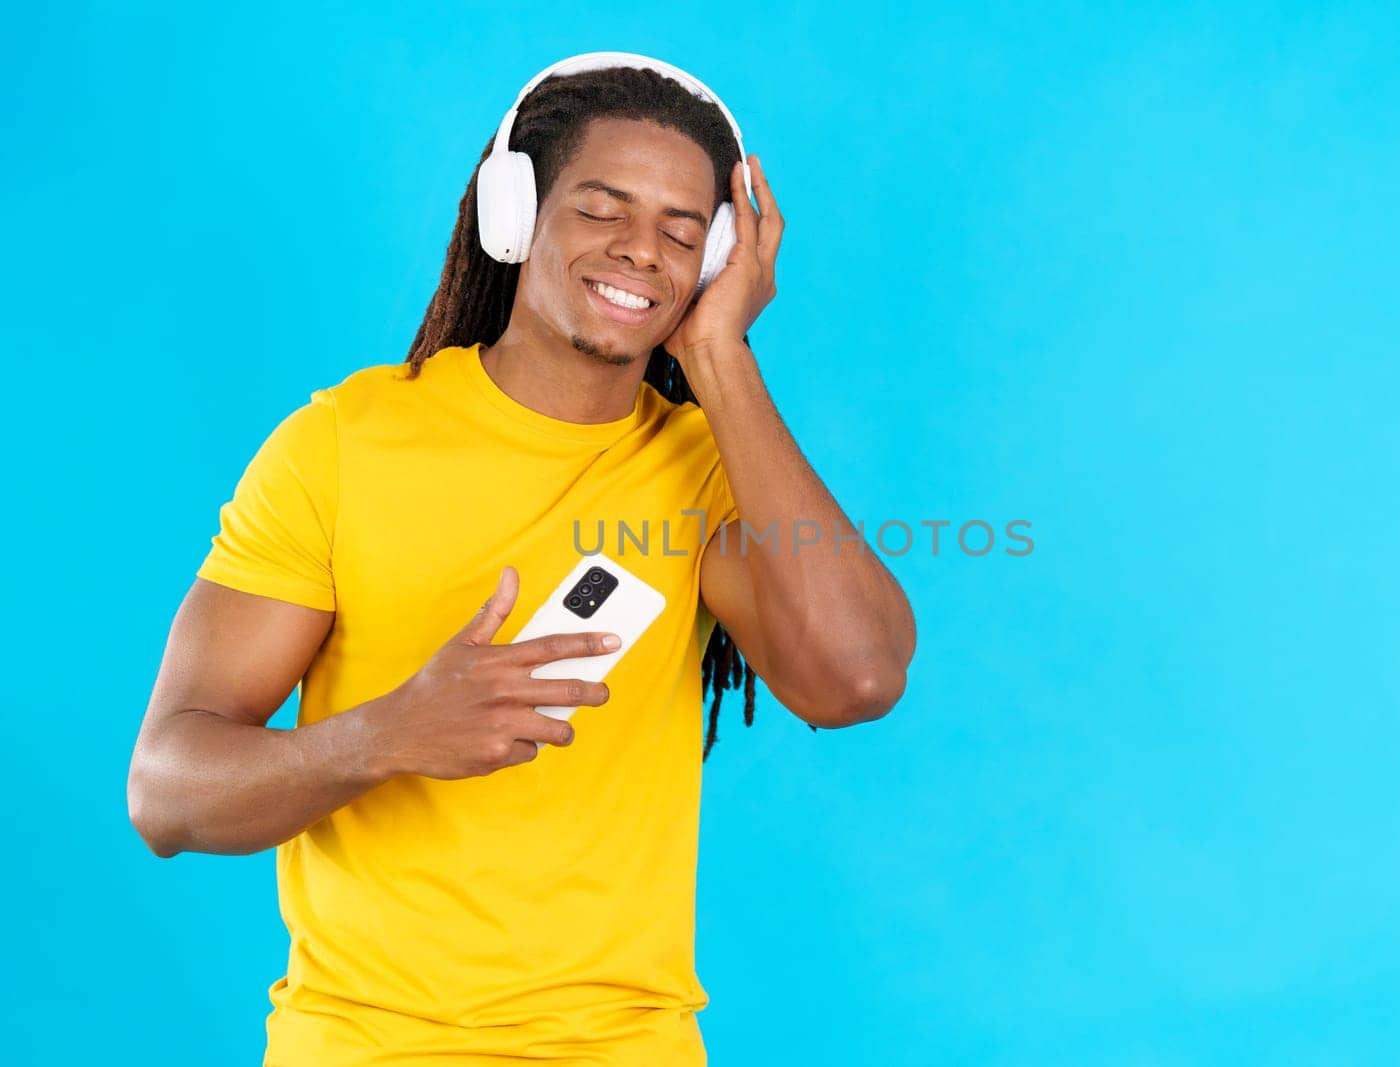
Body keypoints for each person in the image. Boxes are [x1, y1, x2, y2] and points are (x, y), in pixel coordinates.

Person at [126, 54, 915, 1066]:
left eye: (683, 231)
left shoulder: (714, 471)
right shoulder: (343, 444)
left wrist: (722, 355)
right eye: (602, 209)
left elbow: (855, 676)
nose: (642, 251)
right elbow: (166, 792)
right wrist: (384, 733)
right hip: (361, 1044)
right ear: (514, 212)